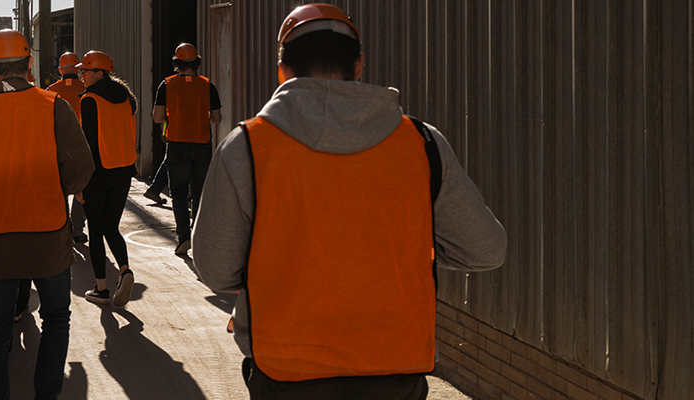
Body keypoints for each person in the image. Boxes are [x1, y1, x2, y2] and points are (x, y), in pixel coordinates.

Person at [191, 4, 507, 398]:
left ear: (282, 70)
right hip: (394, 372)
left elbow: (216, 269)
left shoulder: (247, 148)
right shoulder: (421, 145)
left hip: (286, 372)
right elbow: (486, 249)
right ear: (358, 66)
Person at [0, 29, 94, 400]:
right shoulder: (53, 106)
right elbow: (81, 170)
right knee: (56, 318)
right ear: (29, 64)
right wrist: (50, 187)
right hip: (45, 232)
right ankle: (46, 394)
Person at [73, 51, 139, 307]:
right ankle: (125, 271)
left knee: (96, 231)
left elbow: (87, 143)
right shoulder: (126, 97)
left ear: (99, 73)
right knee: (111, 226)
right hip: (123, 171)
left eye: (85, 71)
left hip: (98, 173)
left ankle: (101, 287)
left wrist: (80, 182)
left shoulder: (90, 100)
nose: (82, 75)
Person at [152, 43, 223, 256]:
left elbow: (157, 117)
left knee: (179, 193)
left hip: (177, 144)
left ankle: (184, 237)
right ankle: (200, 237)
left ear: (177, 63)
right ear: (197, 62)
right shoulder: (207, 85)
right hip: (202, 144)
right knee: (199, 193)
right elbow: (217, 119)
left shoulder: (167, 85)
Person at [46, 52, 90, 244]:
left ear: (60, 70)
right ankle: (77, 230)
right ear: (78, 68)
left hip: (58, 145)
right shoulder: (87, 87)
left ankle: (63, 229)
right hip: (84, 145)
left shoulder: (51, 90)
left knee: (60, 188)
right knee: (82, 187)